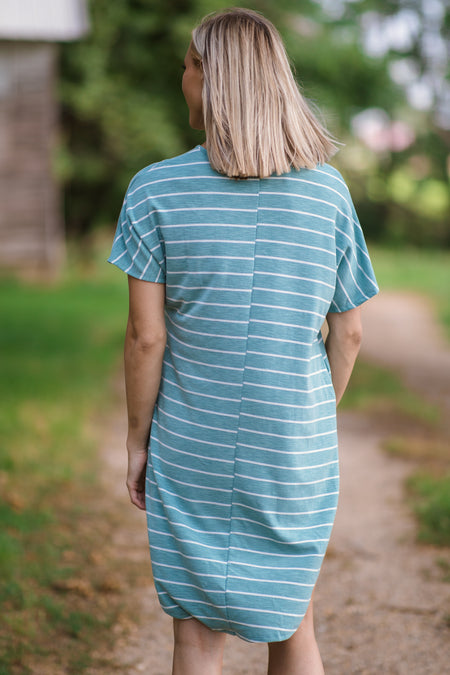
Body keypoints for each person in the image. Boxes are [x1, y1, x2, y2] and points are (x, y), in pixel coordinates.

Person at [108, 8, 378, 674]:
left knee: (196, 638)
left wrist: (139, 442)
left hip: (191, 442)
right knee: (294, 624)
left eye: (187, 65)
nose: (181, 78)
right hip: (293, 445)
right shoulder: (328, 193)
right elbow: (350, 328)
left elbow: (146, 337)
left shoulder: (155, 191)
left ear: (210, 75)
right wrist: (315, 411)